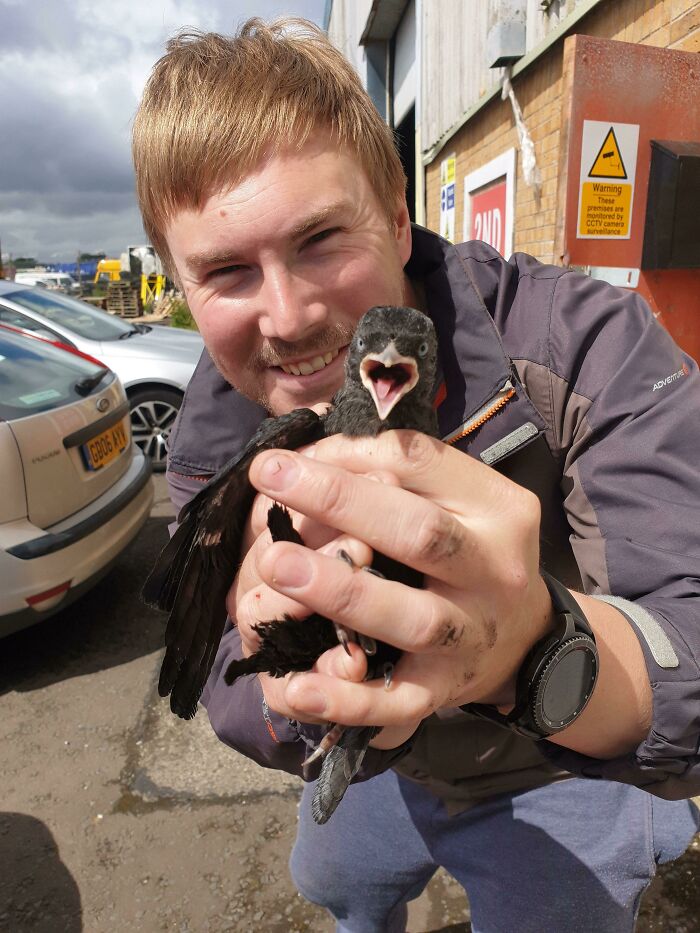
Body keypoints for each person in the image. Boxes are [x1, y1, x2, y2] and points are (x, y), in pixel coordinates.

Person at [132, 18, 700, 932]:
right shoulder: (214, 428)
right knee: (337, 887)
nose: (287, 316)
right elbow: (217, 679)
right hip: (379, 773)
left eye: (320, 238)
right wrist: (297, 688)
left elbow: (692, 632)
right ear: (178, 282)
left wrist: (535, 646)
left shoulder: (588, 344)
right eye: (228, 270)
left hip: (559, 763)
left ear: (398, 215)